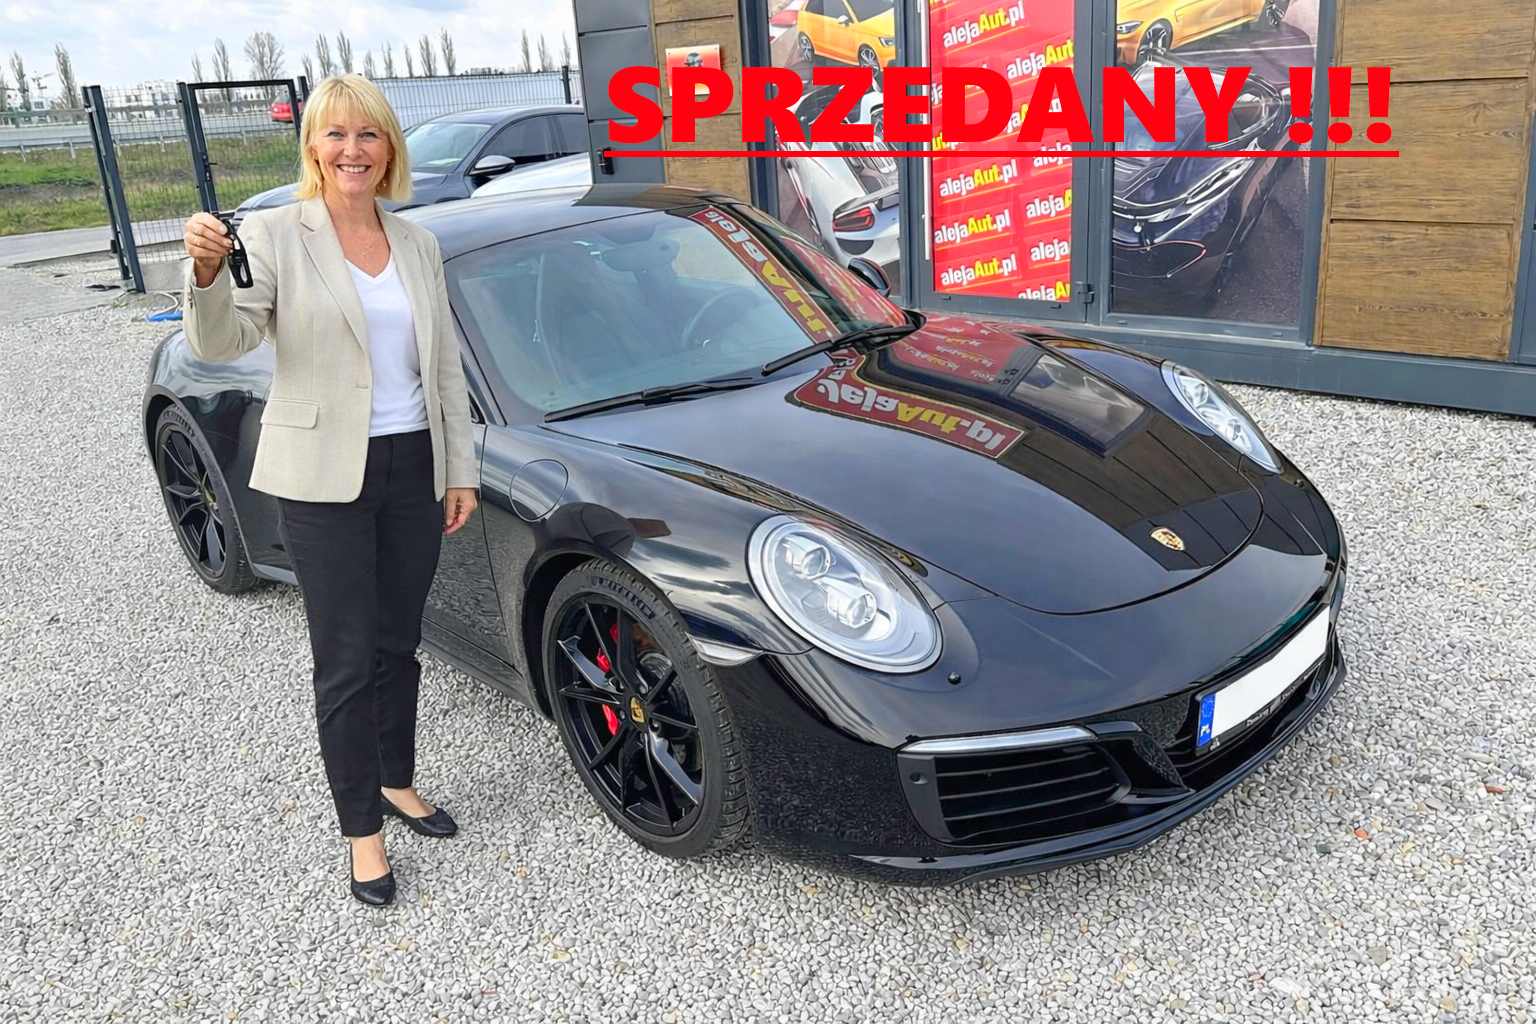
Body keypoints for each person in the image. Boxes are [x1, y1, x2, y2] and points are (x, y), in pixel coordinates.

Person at [180, 74, 479, 907]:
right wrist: (205, 274)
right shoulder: (276, 234)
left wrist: (459, 469)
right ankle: (362, 834)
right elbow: (225, 338)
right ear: (313, 146)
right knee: (345, 660)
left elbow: (444, 363)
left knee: (398, 643)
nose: (354, 150)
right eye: (336, 135)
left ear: (390, 148)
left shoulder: (415, 242)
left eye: (369, 135)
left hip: (414, 465)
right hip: (322, 479)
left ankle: (396, 778)